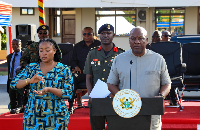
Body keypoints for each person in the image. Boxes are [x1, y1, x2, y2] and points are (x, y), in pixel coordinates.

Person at [107, 26, 171, 130]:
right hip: (127, 108)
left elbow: (167, 83)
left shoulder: (158, 59)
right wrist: (121, 97)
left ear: (146, 41)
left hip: (151, 111)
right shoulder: (119, 59)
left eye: (140, 38)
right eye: (133, 38)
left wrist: (161, 96)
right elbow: (110, 84)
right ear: (129, 41)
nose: (137, 42)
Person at [10, 38, 74, 129]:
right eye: (41, 50)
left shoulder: (63, 69)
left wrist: (49, 89)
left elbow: (68, 93)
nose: (44, 53)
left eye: (47, 50)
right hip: (33, 115)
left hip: (56, 115)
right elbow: (13, 84)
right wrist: (29, 81)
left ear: (54, 51)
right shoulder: (31, 68)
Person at [83, 24, 125, 130]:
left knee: (115, 127)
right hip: (97, 97)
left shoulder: (121, 54)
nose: (105, 36)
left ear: (113, 35)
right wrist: (90, 95)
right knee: (97, 127)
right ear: (99, 36)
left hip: (114, 97)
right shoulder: (92, 53)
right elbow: (88, 77)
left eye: (108, 33)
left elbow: (124, 78)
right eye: (103, 33)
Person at [69, 27, 101, 114]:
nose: (86, 36)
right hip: (81, 72)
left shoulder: (99, 45)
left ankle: (97, 105)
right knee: (72, 78)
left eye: (89, 34)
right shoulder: (77, 46)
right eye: (84, 34)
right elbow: (72, 60)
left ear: (93, 35)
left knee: (101, 79)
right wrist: (75, 66)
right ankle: (71, 105)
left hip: (95, 72)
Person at [7, 39, 24, 114]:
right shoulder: (9, 57)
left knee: (20, 99)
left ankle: (20, 110)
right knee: (12, 98)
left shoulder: (24, 56)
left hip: (21, 81)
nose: (15, 46)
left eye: (17, 44)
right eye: (13, 44)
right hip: (11, 80)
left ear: (21, 45)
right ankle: (13, 110)